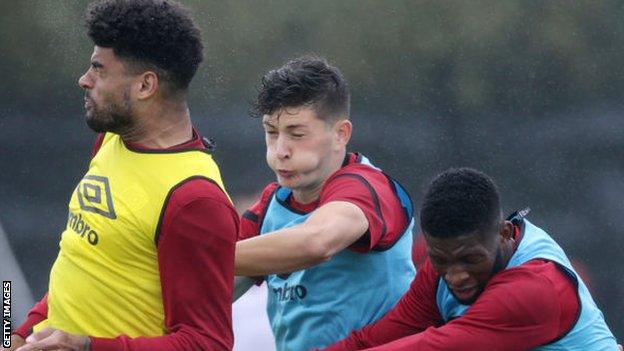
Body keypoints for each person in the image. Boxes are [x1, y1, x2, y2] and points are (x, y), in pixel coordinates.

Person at [10, 1, 238, 350]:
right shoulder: (111, 140)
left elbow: (207, 343)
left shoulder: (195, 200)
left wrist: (88, 347)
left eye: (99, 69)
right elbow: (82, 262)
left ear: (146, 86)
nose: (84, 80)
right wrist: (21, 333)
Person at [324, 168, 618, 351]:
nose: (455, 276)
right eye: (441, 260)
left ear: (504, 233)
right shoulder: (442, 270)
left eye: (470, 259)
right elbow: (372, 341)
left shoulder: (535, 290)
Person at [233, 56, 416, 351]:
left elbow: (315, 243)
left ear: (340, 135)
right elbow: (215, 283)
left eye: (297, 134)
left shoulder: (367, 187)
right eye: (271, 132)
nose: (280, 150)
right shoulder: (271, 203)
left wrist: (205, 260)